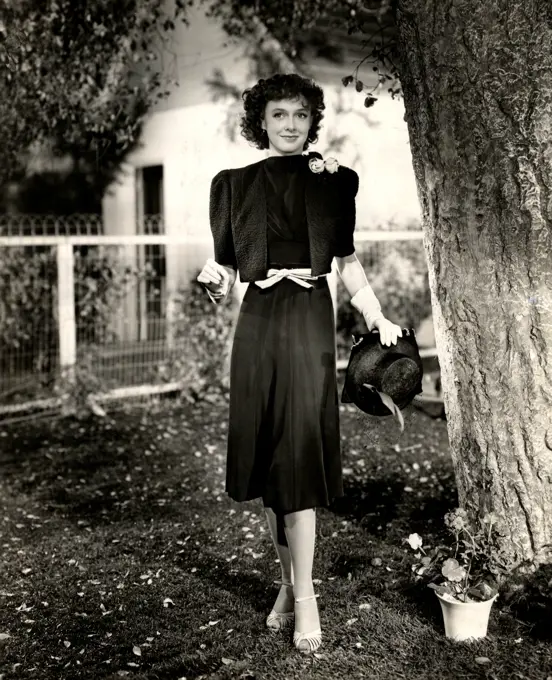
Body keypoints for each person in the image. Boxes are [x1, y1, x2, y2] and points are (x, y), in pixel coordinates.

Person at [197, 73, 402, 654]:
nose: (290, 124)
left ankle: (306, 597)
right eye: (279, 114)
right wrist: (213, 283)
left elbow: (348, 264)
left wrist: (377, 318)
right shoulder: (233, 185)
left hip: (309, 315)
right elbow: (225, 270)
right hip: (258, 321)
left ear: (314, 120)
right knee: (269, 460)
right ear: (260, 121)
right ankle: (287, 586)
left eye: (300, 114)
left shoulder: (332, 184)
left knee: (298, 456)